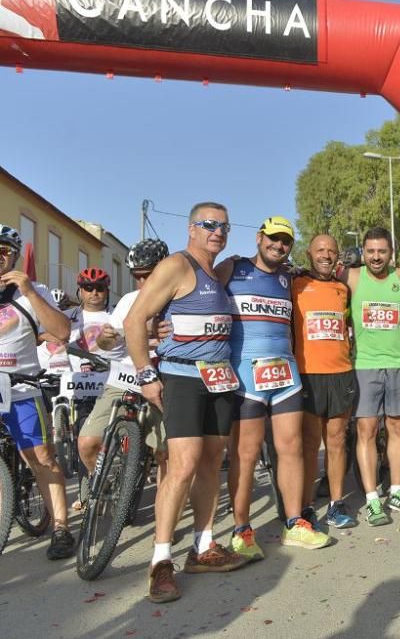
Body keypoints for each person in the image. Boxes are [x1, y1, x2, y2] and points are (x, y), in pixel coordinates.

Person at [125, 202, 247, 604]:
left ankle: (203, 545)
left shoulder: (218, 271)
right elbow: (135, 319)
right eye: (209, 225)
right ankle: (161, 560)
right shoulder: (177, 266)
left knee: (212, 461)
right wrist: (146, 376)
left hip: (220, 379)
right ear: (192, 228)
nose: (218, 232)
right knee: (183, 466)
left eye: (224, 226)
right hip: (182, 377)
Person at [223, 216, 332, 561]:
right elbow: (200, 290)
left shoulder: (291, 277)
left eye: (285, 241)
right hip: (245, 378)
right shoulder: (233, 269)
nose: (279, 246)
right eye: (273, 239)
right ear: (259, 238)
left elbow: (334, 276)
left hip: (285, 375)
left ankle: (294, 521)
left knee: (293, 448)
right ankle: (242, 529)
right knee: (246, 454)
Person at [0, 223, 75, 559]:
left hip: (21, 388)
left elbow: (61, 332)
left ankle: (60, 527)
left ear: (14, 256)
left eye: (4, 251)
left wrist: (29, 291)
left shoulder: (35, 291)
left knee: (42, 459)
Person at [80, 240, 170, 485]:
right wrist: (105, 339)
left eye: (147, 276)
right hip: (126, 376)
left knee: (166, 453)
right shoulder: (129, 300)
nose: (141, 284)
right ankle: (106, 490)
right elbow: (109, 346)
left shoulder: (179, 296)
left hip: (163, 376)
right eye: (136, 277)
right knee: (87, 443)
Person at [346, 227, 400, 526]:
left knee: (398, 428)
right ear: (364, 252)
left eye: (382, 251)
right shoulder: (351, 277)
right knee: (367, 431)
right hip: (364, 365)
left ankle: (398, 491)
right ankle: (373, 499)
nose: (376, 257)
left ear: (391, 253)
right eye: (371, 251)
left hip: (399, 362)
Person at [293, 234, 359, 529]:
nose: (325, 255)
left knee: (336, 442)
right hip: (308, 374)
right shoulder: (294, 284)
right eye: (320, 250)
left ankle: (336, 503)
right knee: (309, 445)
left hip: (341, 373)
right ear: (309, 253)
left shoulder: (343, 288)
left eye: (331, 251)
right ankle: (306, 506)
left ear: (337, 257)